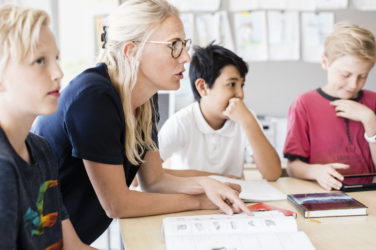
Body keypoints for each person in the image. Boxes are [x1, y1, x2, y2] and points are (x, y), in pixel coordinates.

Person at [32, 0, 251, 244]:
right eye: (174, 46)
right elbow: (117, 204)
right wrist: (199, 201)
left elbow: (154, 180)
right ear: (131, 50)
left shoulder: (145, 97)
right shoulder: (93, 98)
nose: (186, 57)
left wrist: (206, 184)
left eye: (184, 45)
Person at [0, 5, 94, 249]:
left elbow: (72, 245)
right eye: (39, 61)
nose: (58, 73)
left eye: (56, 59)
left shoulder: (40, 148)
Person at [158, 43, 282, 180]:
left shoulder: (245, 118)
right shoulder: (181, 122)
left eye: (242, 85)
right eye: (231, 84)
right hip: (189, 199)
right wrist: (217, 178)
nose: (241, 94)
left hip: (233, 200)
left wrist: (248, 122)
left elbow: (273, 174)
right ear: (203, 87)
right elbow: (141, 177)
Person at [283, 22, 376, 191]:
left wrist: (370, 120)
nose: (353, 84)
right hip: (324, 194)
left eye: (362, 76)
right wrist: (316, 171)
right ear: (325, 62)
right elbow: (292, 166)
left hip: (369, 193)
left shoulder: (373, 102)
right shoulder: (305, 103)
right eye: (345, 74)